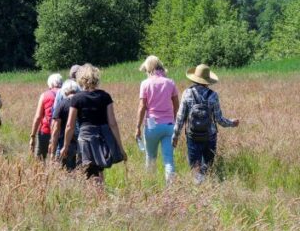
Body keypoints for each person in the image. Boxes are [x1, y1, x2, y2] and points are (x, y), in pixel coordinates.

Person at [172, 64, 239, 184]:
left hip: (193, 137)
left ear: (194, 78)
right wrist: (232, 123)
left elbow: (180, 117)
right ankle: (208, 187)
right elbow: (219, 119)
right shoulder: (213, 95)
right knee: (207, 169)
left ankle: (199, 191)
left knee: (195, 170)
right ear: (208, 80)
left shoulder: (187, 93)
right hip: (210, 137)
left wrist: (175, 136)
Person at [61, 64, 127, 183]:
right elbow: (112, 123)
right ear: (96, 78)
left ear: (80, 79)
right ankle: (100, 196)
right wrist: (120, 148)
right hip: (103, 137)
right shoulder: (105, 96)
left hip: (86, 138)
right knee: (98, 169)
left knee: (89, 171)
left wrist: (65, 146)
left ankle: (97, 197)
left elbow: (69, 126)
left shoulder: (77, 98)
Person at [135, 55, 180, 184]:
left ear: (148, 68)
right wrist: (175, 120)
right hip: (169, 125)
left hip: (152, 125)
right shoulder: (170, 82)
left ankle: (150, 186)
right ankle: (170, 189)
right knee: (168, 160)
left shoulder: (145, 84)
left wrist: (137, 127)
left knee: (151, 158)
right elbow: (177, 104)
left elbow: (142, 106)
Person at [49, 79, 80, 171]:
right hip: (83, 145)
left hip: (65, 145)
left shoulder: (61, 105)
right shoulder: (83, 103)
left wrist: (52, 153)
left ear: (64, 91)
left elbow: (55, 130)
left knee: (66, 173)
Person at [30, 73, 63, 160]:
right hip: (62, 133)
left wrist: (32, 136)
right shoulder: (66, 94)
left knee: (40, 160)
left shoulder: (45, 95)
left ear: (50, 84)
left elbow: (38, 117)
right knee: (59, 160)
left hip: (45, 131)